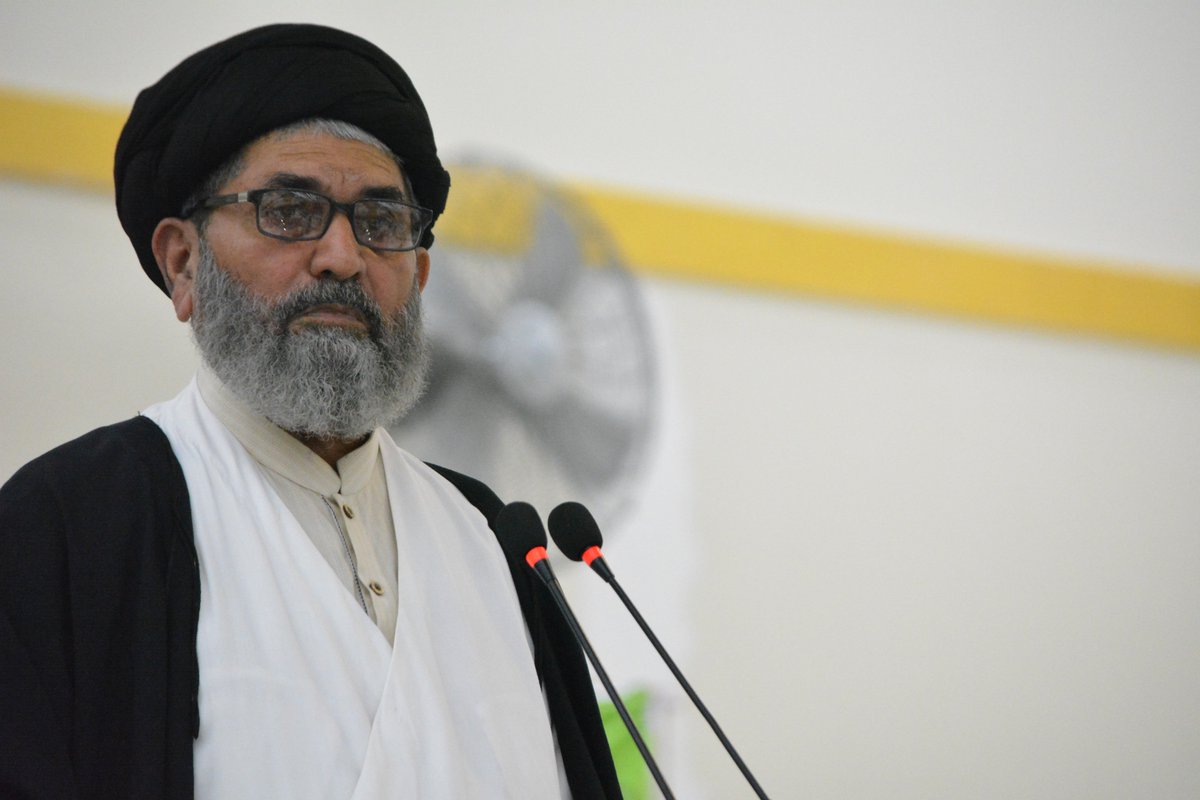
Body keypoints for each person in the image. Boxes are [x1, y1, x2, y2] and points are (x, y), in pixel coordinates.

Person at [0, 23, 621, 800]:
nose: (342, 257)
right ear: (183, 263)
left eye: (381, 223)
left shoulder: (493, 538)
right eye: (290, 211)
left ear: (420, 276)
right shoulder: (68, 526)